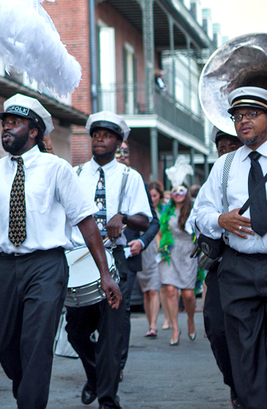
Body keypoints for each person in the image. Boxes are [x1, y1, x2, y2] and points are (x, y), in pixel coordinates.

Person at [0, 94, 120, 409]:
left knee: (36, 345)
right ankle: (26, 392)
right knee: (7, 344)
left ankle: (30, 402)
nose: (7, 129)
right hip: (3, 268)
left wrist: (105, 274)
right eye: (5, 123)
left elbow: (86, 222)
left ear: (34, 131)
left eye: (15, 123)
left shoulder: (57, 169)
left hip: (46, 266)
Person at [65, 111, 151, 409]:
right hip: (78, 258)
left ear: (118, 141)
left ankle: (107, 398)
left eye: (107, 135)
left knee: (112, 332)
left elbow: (145, 220)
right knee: (75, 330)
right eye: (96, 134)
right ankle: (96, 374)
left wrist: (124, 217)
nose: (100, 139)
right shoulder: (74, 174)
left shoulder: (130, 176)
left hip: (115, 257)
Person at [195, 85, 267, 409]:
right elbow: (201, 213)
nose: (243, 122)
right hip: (237, 267)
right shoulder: (224, 166)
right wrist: (219, 220)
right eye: (238, 116)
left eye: (251, 114)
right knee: (243, 352)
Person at [195, 126, 242, 407]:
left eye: (231, 146)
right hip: (222, 264)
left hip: (259, 261)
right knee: (217, 330)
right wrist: (219, 219)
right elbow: (199, 217)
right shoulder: (218, 173)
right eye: (221, 148)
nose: (226, 152)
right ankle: (236, 385)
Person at [114, 142, 160, 374]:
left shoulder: (136, 180)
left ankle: (117, 366)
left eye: (125, 151)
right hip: (95, 254)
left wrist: (141, 242)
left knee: (121, 309)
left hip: (127, 256)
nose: (121, 156)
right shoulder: (93, 177)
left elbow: (154, 221)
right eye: (117, 151)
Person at [157, 183, 197, 345]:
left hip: (189, 252)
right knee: (170, 290)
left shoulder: (195, 208)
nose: (178, 193)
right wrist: (161, 247)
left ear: (186, 192)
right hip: (170, 252)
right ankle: (175, 328)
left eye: (181, 190)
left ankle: (191, 320)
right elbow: (160, 231)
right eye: (174, 190)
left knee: (188, 294)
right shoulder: (167, 211)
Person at [137, 181, 164, 337]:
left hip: (157, 254)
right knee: (146, 292)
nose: (152, 198)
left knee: (154, 290)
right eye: (150, 195)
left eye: (155, 195)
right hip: (143, 253)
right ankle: (150, 324)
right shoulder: (141, 210)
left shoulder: (165, 212)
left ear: (159, 196)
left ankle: (153, 325)